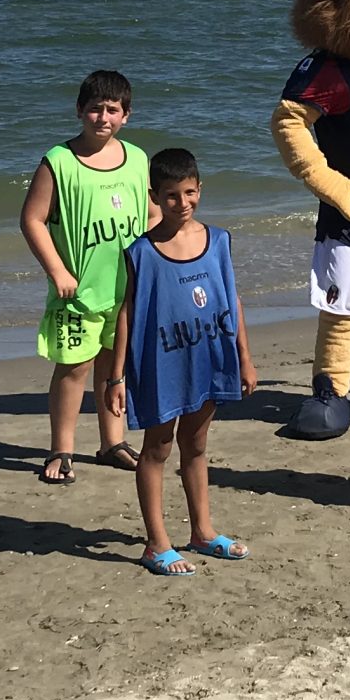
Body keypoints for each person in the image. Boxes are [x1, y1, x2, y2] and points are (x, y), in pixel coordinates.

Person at [107, 148, 256, 576]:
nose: (182, 202)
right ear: (155, 196)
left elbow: (232, 298)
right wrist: (116, 376)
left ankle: (203, 532)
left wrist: (244, 358)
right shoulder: (140, 252)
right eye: (171, 195)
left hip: (209, 356)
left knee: (197, 444)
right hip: (163, 363)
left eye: (189, 192)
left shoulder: (219, 240)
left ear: (200, 189)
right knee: (157, 448)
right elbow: (127, 313)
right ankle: (156, 544)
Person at [18, 70, 152, 485]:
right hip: (76, 290)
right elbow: (32, 219)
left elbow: (151, 215)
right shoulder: (58, 161)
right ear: (79, 111)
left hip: (125, 287)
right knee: (74, 367)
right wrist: (57, 270)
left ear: (126, 115)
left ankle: (113, 442)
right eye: (95, 109)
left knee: (115, 363)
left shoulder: (137, 159)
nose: (103, 118)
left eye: (112, 110)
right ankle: (61, 449)